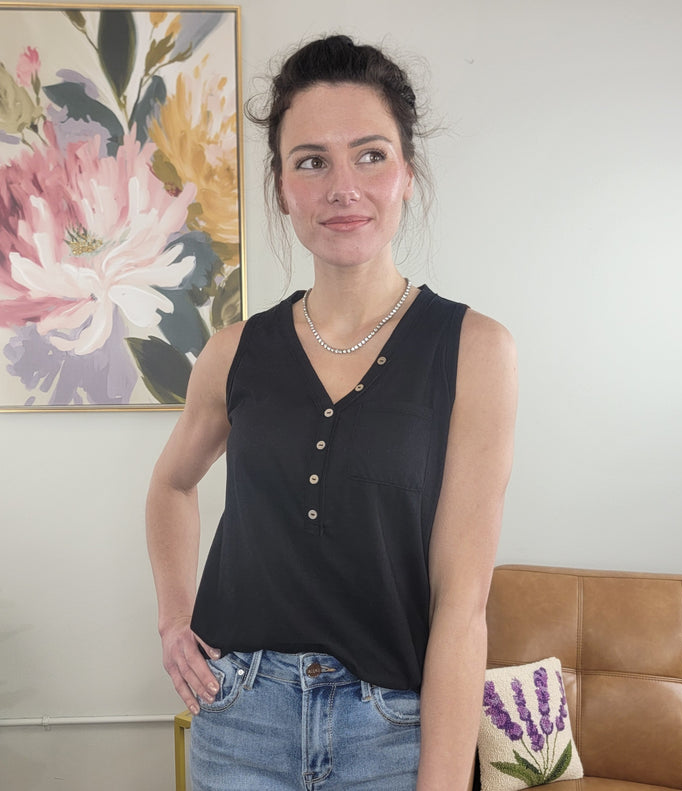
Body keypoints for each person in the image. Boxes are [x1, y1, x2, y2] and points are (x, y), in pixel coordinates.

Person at [146, 34, 517, 791]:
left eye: (370, 154)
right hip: (239, 718)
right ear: (282, 186)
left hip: (391, 731)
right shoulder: (233, 351)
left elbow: (462, 604)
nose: (342, 185)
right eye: (311, 160)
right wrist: (174, 618)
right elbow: (170, 486)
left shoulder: (476, 351)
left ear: (407, 173)